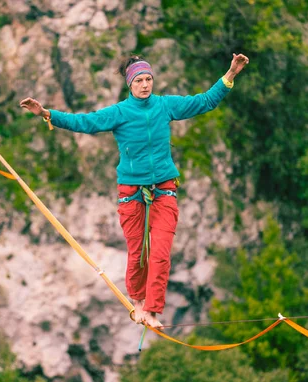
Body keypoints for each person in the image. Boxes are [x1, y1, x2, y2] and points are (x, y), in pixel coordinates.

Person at [20, 52, 249, 329]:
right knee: (138, 252)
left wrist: (231, 73)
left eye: (149, 79)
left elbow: (203, 101)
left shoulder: (165, 106)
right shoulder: (119, 113)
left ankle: (152, 311)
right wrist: (46, 114)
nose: (145, 85)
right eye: (139, 80)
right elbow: (84, 122)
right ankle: (138, 303)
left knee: (161, 253)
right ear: (130, 84)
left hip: (164, 190)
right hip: (131, 193)